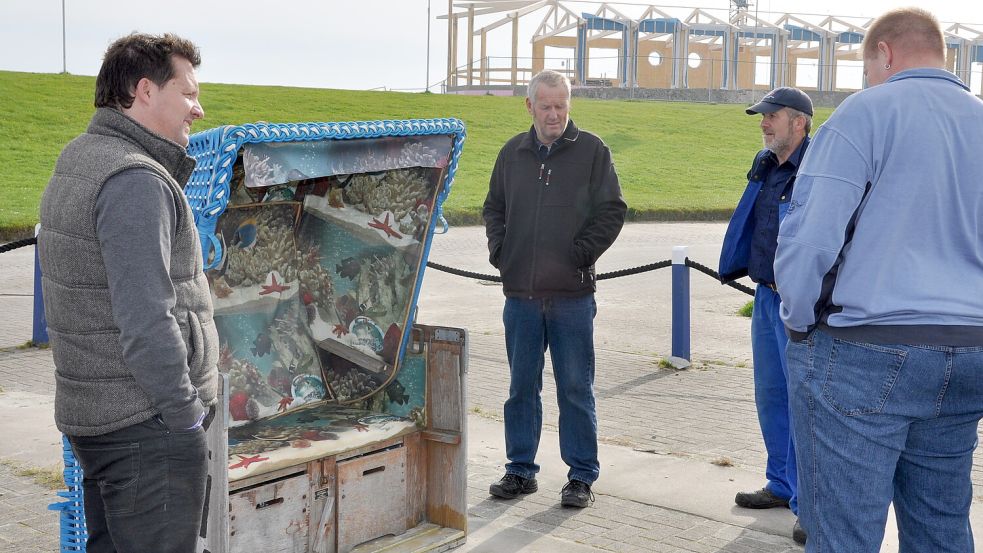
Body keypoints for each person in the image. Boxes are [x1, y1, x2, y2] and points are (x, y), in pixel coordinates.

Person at [774, 8, 983, 552]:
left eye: (868, 67)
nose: (867, 79)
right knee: (941, 525)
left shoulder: (866, 112)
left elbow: (812, 236)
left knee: (845, 535)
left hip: (865, 353)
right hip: (967, 351)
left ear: (885, 54)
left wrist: (799, 322)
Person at [37, 33, 217, 553]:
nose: (198, 109)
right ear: (144, 91)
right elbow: (147, 319)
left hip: (101, 420)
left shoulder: (81, 157)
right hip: (147, 426)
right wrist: (185, 418)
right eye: (187, 94)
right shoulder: (134, 179)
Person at [482, 69, 627, 508]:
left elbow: (612, 211)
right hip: (521, 298)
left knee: (575, 389)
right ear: (530, 106)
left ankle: (581, 476)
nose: (553, 114)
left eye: (560, 106)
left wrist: (580, 254)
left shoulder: (592, 152)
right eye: (545, 106)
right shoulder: (512, 154)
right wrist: (501, 253)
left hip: (572, 297)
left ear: (570, 105)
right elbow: (494, 208)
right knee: (521, 388)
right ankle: (520, 470)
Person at [718, 86, 813, 544]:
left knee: (803, 404)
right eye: (762, 116)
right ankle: (780, 483)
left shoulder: (817, 170)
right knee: (770, 395)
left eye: (771, 116)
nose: (763, 123)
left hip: (800, 305)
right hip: (765, 299)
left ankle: (809, 505)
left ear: (798, 122)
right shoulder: (767, 167)